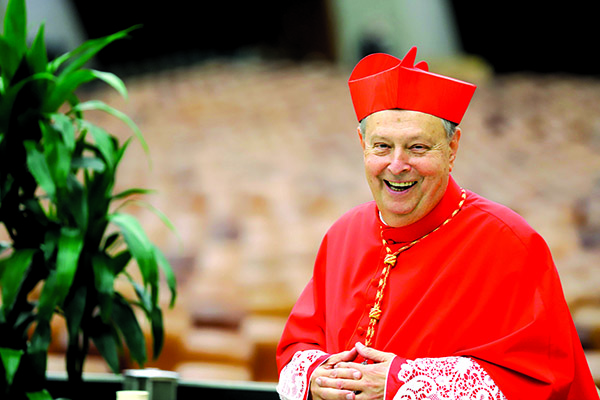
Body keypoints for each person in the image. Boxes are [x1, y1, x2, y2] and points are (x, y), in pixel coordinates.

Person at [275, 46, 600, 400]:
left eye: (417, 148)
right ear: (362, 145)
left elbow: (540, 381)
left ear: (452, 148)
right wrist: (315, 375)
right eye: (382, 146)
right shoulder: (342, 234)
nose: (397, 165)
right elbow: (298, 345)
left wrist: (405, 383)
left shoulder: (508, 241)